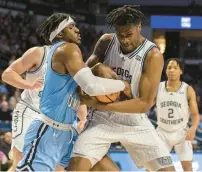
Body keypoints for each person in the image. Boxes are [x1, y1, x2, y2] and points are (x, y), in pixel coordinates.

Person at [14, 13, 129, 171]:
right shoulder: (68, 49)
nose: (77, 30)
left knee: (101, 166)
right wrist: (122, 85)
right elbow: (91, 86)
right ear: (60, 33)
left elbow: (81, 91)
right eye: (71, 26)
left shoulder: (68, 56)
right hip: (48, 131)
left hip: (67, 132)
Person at [67, 5, 175, 171]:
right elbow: (81, 77)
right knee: (76, 167)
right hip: (101, 120)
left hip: (135, 122)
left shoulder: (152, 55)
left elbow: (144, 104)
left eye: (129, 34)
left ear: (139, 27)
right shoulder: (106, 42)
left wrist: (100, 105)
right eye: (120, 35)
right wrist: (96, 69)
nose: (124, 40)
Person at [156, 58, 200, 171]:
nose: (171, 70)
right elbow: (146, 105)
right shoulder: (158, 88)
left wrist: (193, 128)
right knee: (155, 166)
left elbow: (195, 114)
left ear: (181, 71)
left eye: (175, 68)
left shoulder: (188, 90)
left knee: (187, 166)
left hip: (182, 133)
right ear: (165, 71)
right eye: (169, 68)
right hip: (162, 132)